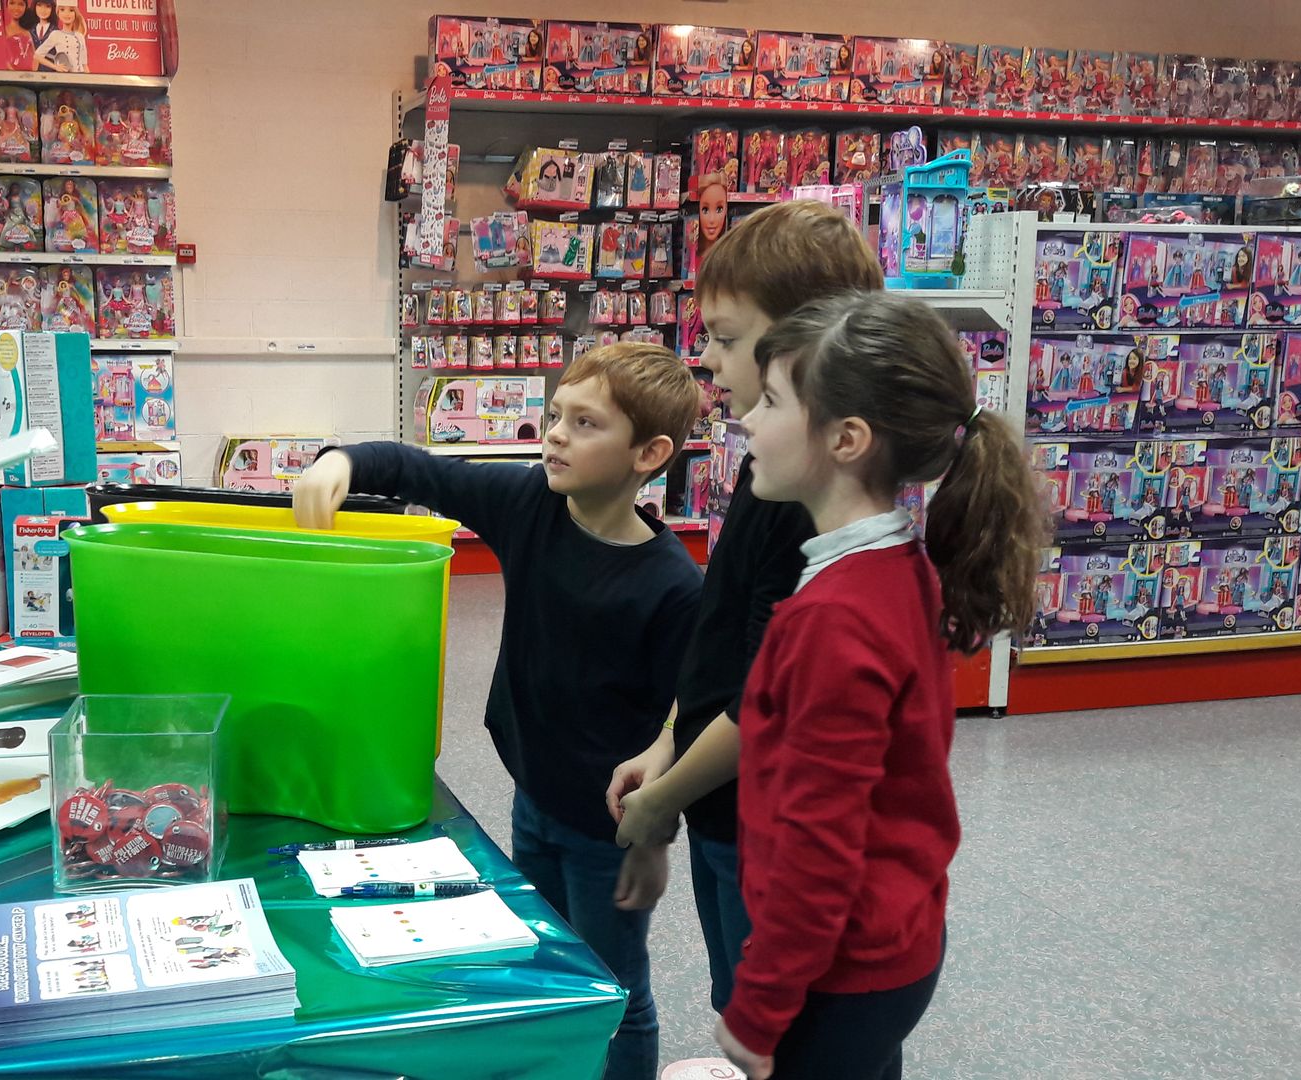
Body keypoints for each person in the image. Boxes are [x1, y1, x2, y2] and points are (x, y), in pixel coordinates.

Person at [294, 344, 704, 1080]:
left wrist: (653, 835)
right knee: (543, 962)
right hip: (533, 793)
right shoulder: (530, 506)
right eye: (554, 416)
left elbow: (689, 707)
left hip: (607, 826)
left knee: (613, 989)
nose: (554, 435)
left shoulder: (671, 584)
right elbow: (422, 470)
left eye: (584, 423)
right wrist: (341, 462)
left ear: (650, 452)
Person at [712, 291, 1045, 1079]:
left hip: (838, 975)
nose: (747, 422)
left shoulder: (835, 619)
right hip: (896, 945)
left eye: (771, 402)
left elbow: (819, 848)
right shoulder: (898, 572)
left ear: (847, 439)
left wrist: (756, 1012)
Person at [605, 200, 884, 1015]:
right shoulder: (774, 473)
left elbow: (768, 698)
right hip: (725, 806)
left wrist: (660, 801)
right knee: (742, 998)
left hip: (771, 828)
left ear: (806, 346)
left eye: (727, 339)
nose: (709, 360)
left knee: (776, 1022)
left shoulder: (813, 504)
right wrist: (668, 742)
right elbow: (722, 643)